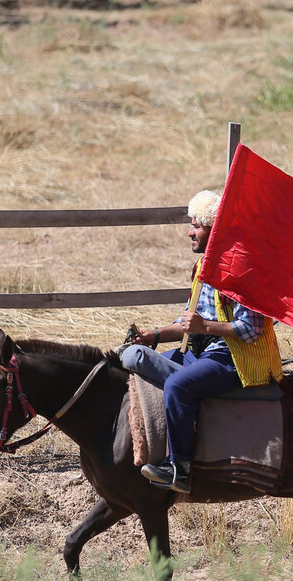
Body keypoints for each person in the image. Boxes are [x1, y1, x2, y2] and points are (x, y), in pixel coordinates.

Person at [120, 190, 284, 491]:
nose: (189, 232)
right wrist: (154, 336)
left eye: (196, 225)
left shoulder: (243, 270)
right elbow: (187, 322)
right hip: (203, 354)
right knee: (133, 358)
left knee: (177, 385)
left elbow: (252, 328)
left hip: (236, 360)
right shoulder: (203, 270)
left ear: (215, 229)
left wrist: (206, 326)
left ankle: (180, 470)